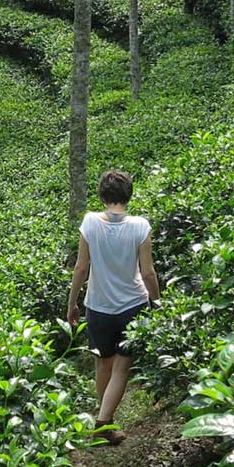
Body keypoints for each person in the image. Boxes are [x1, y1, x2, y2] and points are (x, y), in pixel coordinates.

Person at [66, 170, 160, 446]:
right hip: (132, 305)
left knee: (103, 364)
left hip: (98, 306)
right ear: (128, 195)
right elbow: (148, 272)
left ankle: (104, 422)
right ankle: (103, 422)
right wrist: (157, 303)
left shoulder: (90, 222)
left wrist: (72, 302)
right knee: (121, 368)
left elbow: (81, 267)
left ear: (102, 195)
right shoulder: (140, 226)